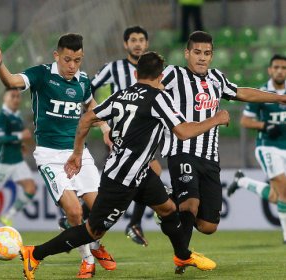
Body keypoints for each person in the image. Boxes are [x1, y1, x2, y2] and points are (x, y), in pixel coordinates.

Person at [19, 51, 231, 280]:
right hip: (122, 180)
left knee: (168, 209)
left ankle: (182, 255)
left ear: (136, 73)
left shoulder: (122, 94)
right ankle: (35, 253)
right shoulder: (159, 98)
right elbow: (183, 132)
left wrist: (77, 153)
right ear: (161, 76)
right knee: (93, 230)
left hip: (140, 173)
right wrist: (216, 119)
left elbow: (86, 119)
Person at [0, 33, 116, 278]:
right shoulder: (41, 74)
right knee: (75, 212)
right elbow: (12, 81)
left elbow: (90, 106)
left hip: (80, 153)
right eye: (67, 59)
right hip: (50, 155)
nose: (72, 66)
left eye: (77, 60)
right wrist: (0, 64)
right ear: (56, 55)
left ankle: (96, 246)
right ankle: (87, 259)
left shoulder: (83, 81)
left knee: (102, 210)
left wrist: (105, 127)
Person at [161, 32, 286, 263]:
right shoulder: (173, 74)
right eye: (197, 52)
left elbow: (242, 92)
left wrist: (278, 98)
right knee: (191, 203)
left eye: (207, 53)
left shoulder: (217, 78)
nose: (202, 58)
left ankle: (169, 202)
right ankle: (183, 256)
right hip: (182, 150)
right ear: (187, 53)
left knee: (209, 226)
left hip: (209, 157)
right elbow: (149, 89)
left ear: (212, 56)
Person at [90, 25, 162, 247]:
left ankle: (132, 223)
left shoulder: (155, 71)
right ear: (125, 44)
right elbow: (88, 90)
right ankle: (90, 218)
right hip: (119, 134)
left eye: (141, 39)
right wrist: (102, 123)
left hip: (144, 135)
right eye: (133, 40)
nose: (138, 43)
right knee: (124, 181)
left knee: (140, 175)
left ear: (147, 44)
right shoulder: (113, 68)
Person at [227, 54, 286, 243]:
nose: (279, 71)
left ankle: (243, 182)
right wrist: (265, 126)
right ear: (269, 70)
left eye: (283, 68)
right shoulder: (261, 93)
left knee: (278, 196)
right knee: (285, 193)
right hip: (268, 147)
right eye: (276, 67)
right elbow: (245, 121)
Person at [0, 88, 37, 227]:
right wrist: (20, 136)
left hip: (17, 161)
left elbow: (13, 138)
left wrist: (21, 144)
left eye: (18, 96)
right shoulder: (2, 116)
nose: (16, 99)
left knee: (30, 188)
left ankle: (7, 216)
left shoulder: (17, 116)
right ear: (5, 98)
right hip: (2, 162)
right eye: (13, 96)